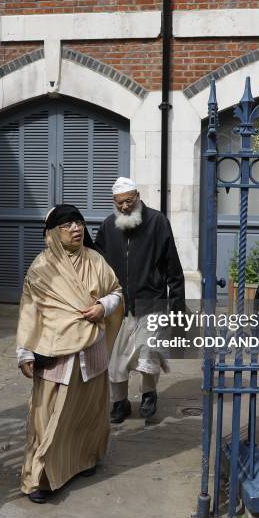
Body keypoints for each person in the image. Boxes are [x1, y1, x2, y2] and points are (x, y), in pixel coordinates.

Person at [16, 204, 123, 504]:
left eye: (79, 223)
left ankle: (85, 459)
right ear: (53, 233)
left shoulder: (96, 261)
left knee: (88, 414)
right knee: (47, 418)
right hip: (55, 353)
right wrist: (25, 351)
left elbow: (116, 291)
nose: (77, 229)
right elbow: (29, 311)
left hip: (92, 351)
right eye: (68, 225)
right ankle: (40, 479)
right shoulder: (41, 268)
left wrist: (104, 306)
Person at [95, 177, 185, 423]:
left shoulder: (157, 222)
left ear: (137, 196)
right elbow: (96, 263)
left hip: (152, 301)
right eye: (119, 203)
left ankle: (148, 395)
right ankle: (120, 402)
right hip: (118, 305)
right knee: (116, 358)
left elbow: (173, 269)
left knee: (148, 352)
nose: (124, 207)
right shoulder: (107, 225)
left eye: (128, 201)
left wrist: (177, 309)